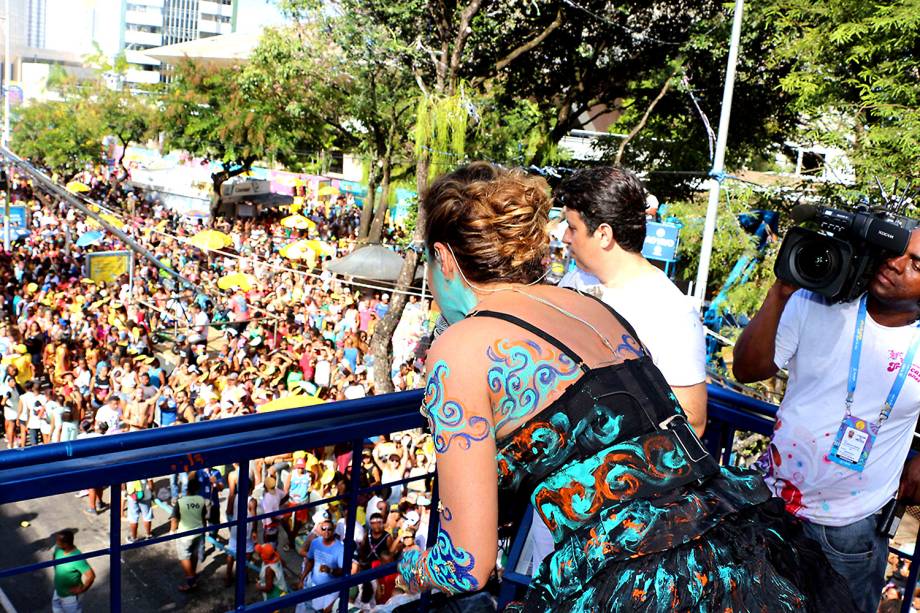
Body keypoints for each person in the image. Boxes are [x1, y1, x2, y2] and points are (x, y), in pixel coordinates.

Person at [397, 162, 856, 611]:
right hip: (733, 548)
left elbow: (466, 566)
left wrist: (410, 567)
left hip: (636, 581)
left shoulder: (460, 350)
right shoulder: (590, 308)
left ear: (444, 258)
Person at [732, 225, 920, 613]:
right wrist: (780, 293)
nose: (895, 264)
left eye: (916, 264)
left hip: (851, 530)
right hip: (770, 505)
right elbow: (747, 369)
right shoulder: (816, 300)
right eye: (896, 251)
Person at [556, 166, 707, 435]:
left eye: (572, 227)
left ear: (603, 234)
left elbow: (692, 420)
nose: (565, 237)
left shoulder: (669, 311)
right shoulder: (574, 281)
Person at [170, 474, 208, 592]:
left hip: (185, 535)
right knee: (194, 554)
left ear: (187, 489)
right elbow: (203, 517)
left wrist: (172, 531)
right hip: (198, 532)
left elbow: (174, 519)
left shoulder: (180, 502)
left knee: (184, 556)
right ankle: (193, 574)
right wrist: (204, 529)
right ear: (197, 489)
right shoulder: (201, 500)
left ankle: (191, 582)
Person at [302, 516, 344, 613]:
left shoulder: (340, 549)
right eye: (323, 529)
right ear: (320, 530)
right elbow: (310, 561)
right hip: (314, 584)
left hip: (329, 590)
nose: (326, 531)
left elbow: (342, 571)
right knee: (309, 608)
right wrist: (302, 578)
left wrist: (330, 570)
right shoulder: (315, 543)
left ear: (333, 531)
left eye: (329, 529)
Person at [51, 529, 95, 613]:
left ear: (66, 544)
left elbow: (91, 576)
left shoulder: (77, 558)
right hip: (58, 591)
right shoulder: (58, 549)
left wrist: (83, 589)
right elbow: (54, 558)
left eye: (58, 541)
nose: (56, 543)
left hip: (70, 598)